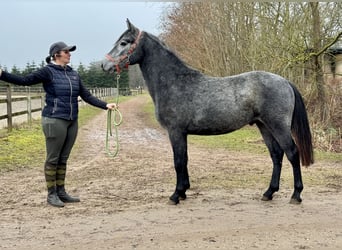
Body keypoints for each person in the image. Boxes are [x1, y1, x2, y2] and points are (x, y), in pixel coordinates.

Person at [0, 41, 117, 207]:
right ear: (56, 55)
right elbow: (24, 80)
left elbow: (86, 96)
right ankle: (51, 194)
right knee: (53, 158)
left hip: (72, 121)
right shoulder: (47, 71)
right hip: (54, 120)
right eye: (66, 52)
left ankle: (61, 191)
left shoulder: (74, 74)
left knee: (63, 158)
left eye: (69, 52)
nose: (69, 54)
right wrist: (2, 74)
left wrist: (105, 105)